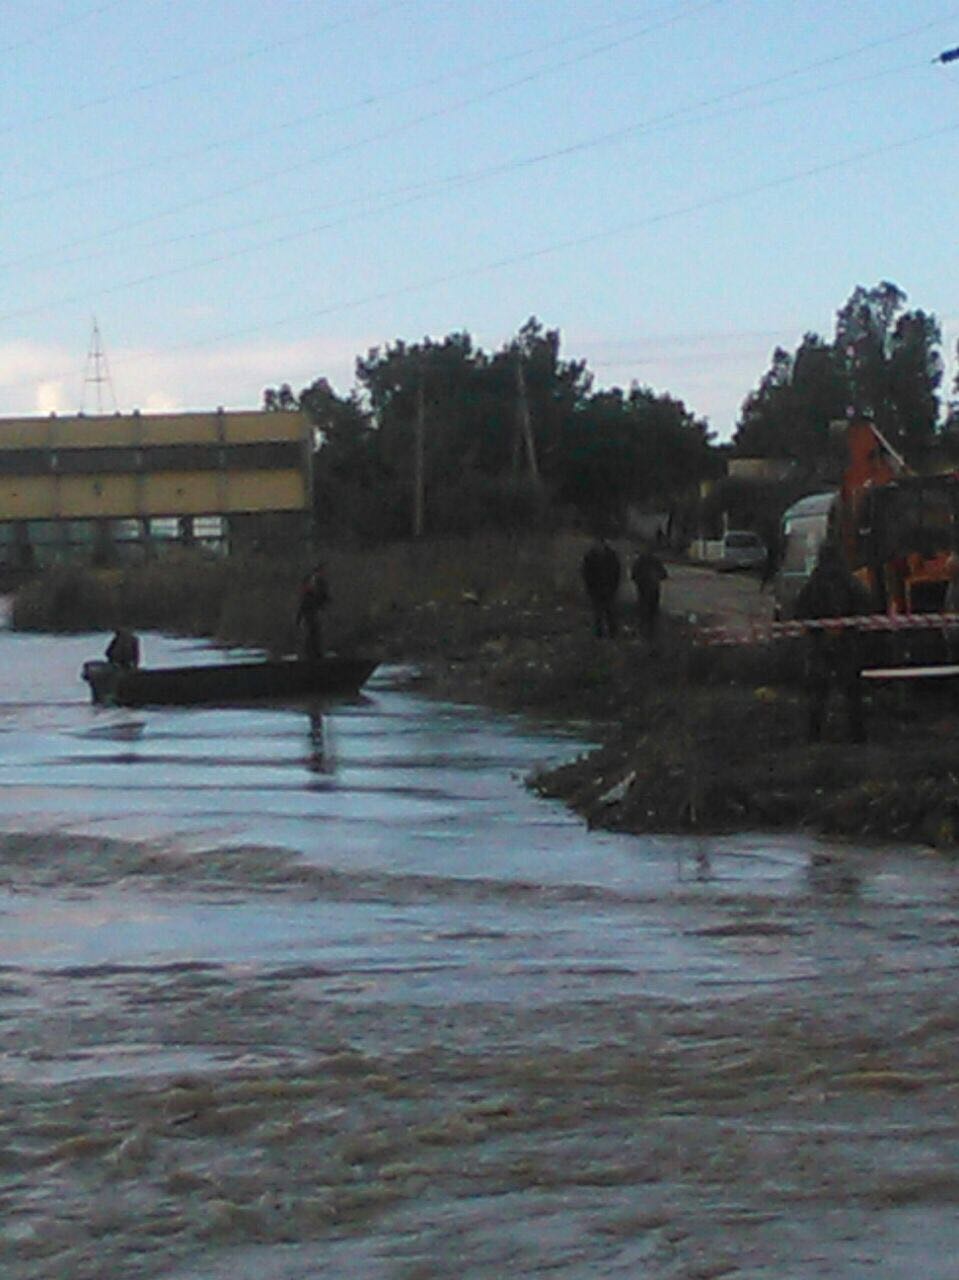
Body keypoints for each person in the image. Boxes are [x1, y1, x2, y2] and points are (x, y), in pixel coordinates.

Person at [793, 542, 871, 743]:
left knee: (819, 691)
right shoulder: (848, 580)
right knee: (852, 691)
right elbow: (865, 602)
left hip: (820, 643)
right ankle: (857, 734)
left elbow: (800, 609)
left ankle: (814, 734)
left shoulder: (815, 581)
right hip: (846, 642)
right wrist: (851, 626)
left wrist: (815, 628)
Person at [581, 535, 621, 638]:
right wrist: (589, 587)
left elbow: (617, 572)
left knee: (610, 612)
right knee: (598, 613)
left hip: (608, 588)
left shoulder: (611, 556)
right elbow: (586, 573)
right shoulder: (590, 556)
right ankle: (599, 633)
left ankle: (613, 633)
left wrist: (614, 586)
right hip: (596, 589)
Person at [630, 544, 668, 641]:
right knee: (649, 615)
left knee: (646, 615)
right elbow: (664, 575)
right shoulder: (652, 561)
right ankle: (649, 635)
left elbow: (633, 575)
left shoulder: (643, 561)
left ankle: (646, 635)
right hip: (649, 591)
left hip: (647, 591)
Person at [296, 564, 330, 659]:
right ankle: (310, 653)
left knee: (316, 631)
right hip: (309, 610)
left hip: (315, 609)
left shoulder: (321, 583)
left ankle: (316, 653)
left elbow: (324, 596)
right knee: (311, 632)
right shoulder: (310, 582)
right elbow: (304, 600)